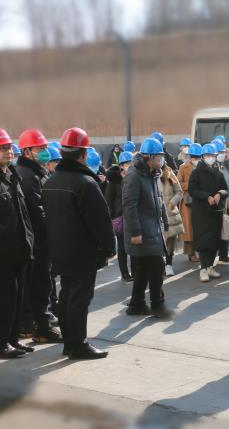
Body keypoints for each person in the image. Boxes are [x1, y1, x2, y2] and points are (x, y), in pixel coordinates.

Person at [42, 127, 116, 359]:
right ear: (83, 154)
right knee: (79, 299)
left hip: (59, 251)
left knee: (66, 296)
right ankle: (77, 345)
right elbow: (100, 221)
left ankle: (70, 342)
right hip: (83, 253)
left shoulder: (50, 181)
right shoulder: (86, 183)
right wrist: (108, 248)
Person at [15, 129, 63, 344]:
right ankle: (41, 328)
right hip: (37, 242)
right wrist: (55, 228)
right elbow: (37, 211)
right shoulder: (28, 176)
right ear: (27, 152)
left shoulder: (36, 172)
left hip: (40, 240)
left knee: (39, 285)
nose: (45, 152)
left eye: (45, 147)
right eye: (40, 148)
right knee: (40, 286)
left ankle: (31, 324)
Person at [123, 139, 173, 319]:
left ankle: (136, 304)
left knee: (142, 271)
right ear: (150, 157)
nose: (162, 159)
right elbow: (129, 206)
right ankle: (157, 305)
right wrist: (135, 232)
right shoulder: (134, 177)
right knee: (157, 269)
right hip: (142, 233)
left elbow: (160, 203)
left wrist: (165, 225)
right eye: (159, 156)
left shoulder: (154, 175)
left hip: (154, 231)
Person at [0, 129, 35, 359]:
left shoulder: (13, 175)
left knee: (17, 298)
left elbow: (22, 214)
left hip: (20, 250)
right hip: (3, 253)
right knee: (4, 299)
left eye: (9, 147)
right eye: (3, 148)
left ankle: (12, 339)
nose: (9, 151)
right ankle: (2, 342)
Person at [189, 143, 228, 282]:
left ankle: (211, 266)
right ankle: (203, 268)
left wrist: (219, 194)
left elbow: (225, 189)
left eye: (212, 155)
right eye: (207, 155)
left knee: (214, 240)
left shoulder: (218, 173)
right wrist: (207, 197)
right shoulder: (196, 172)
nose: (210, 158)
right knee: (203, 241)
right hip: (201, 212)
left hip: (215, 211)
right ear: (203, 157)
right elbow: (192, 190)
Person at [106, 151, 134, 281]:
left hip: (133, 216)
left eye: (131, 163)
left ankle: (135, 271)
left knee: (135, 246)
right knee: (122, 248)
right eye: (126, 163)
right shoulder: (114, 181)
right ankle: (124, 273)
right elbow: (109, 201)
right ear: (121, 165)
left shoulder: (135, 178)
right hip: (120, 218)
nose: (129, 165)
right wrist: (113, 218)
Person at [177, 143, 202, 264]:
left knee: (200, 227)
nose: (196, 159)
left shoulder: (203, 167)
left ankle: (200, 251)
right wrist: (191, 185)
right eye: (194, 157)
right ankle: (191, 253)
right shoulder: (183, 167)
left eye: (198, 157)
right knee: (189, 229)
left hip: (201, 200)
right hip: (188, 201)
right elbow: (178, 183)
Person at [161, 163, 184, 277]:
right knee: (158, 241)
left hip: (169, 212)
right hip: (154, 213)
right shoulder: (146, 174)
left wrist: (172, 203)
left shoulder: (169, 173)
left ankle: (168, 264)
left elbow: (179, 192)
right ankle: (160, 264)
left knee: (170, 240)